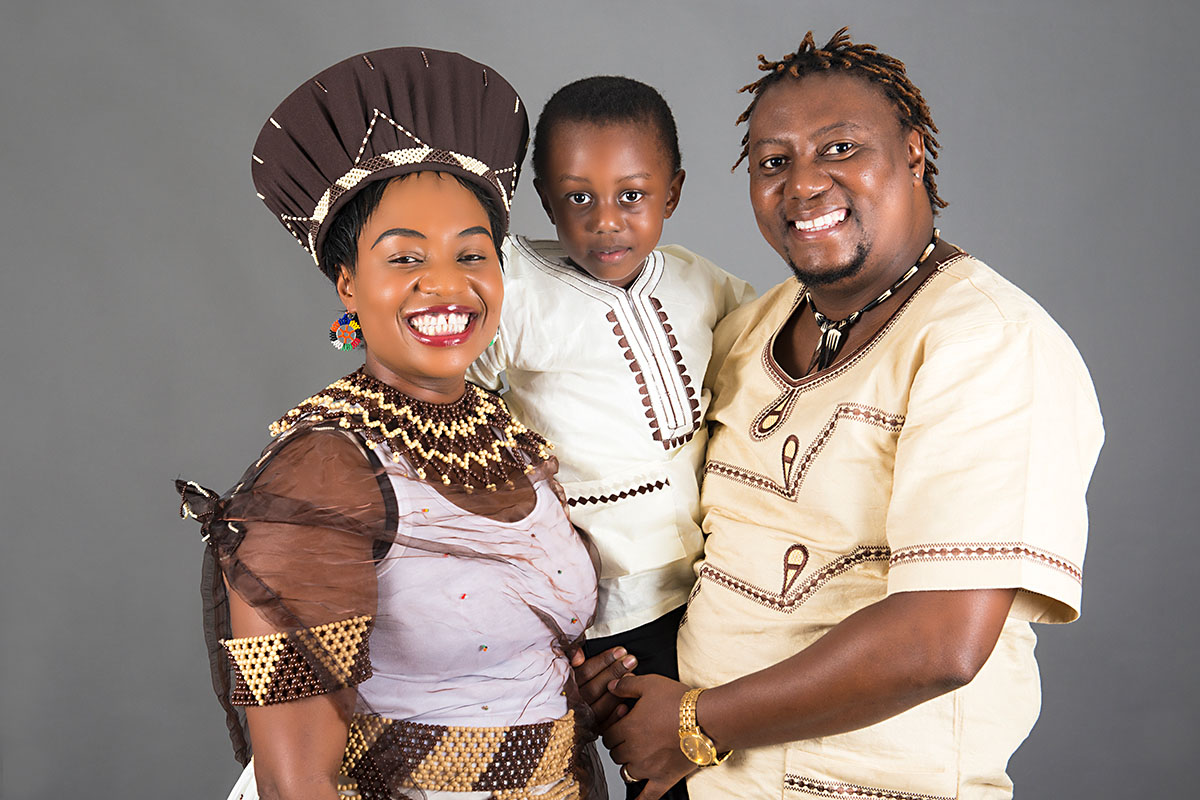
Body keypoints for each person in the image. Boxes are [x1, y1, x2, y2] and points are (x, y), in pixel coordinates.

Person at [593, 29, 1104, 800]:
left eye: (839, 148)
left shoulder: (987, 342)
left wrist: (695, 721)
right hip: (704, 781)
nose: (802, 185)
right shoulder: (748, 328)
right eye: (773, 161)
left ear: (914, 153)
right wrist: (627, 665)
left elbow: (940, 641)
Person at [176, 48, 605, 800]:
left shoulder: (510, 433)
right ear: (349, 284)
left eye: (473, 253)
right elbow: (293, 778)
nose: (446, 283)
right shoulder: (322, 469)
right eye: (404, 257)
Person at [466, 75, 754, 799]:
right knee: (646, 768)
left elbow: (771, 355)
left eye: (632, 195)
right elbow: (442, 382)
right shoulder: (517, 283)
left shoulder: (702, 285)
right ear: (542, 198)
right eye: (577, 198)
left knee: (727, 770)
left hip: (714, 586)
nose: (605, 222)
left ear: (673, 193)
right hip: (605, 606)